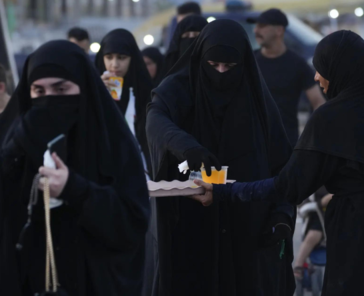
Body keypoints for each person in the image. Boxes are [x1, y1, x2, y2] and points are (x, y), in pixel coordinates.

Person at [193, 30, 364, 296]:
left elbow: (288, 187)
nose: (316, 77)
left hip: (358, 238)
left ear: (339, 70)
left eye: (322, 69)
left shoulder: (330, 119)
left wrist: (225, 191)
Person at [146, 19, 295, 296]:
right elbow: (156, 121)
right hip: (190, 224)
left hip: (247, 227)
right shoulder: (179, 87)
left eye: (230, 67)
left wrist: (282, 215)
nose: (221, 73)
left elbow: (283, 166)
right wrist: (188, 147)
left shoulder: (257, 102)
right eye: (213, 66)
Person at [0, 40, 150, 295]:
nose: (49, 100)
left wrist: (76, 190)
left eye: (61, 89)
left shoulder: (112, 142)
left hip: (94, 281)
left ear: (83, 87)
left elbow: (132, 223)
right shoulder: (17, 138)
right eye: (39, 90)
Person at [248, 8, 326, 147]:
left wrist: (310, 137)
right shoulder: (250, 61)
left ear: (279, 30)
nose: (256, 30)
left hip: (286, 144)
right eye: (256, 26)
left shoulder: (297, 64)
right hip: (254, 143)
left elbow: (318, 102)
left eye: (262, 26)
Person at [95, 29, 153, 177]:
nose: (114, 64)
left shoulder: (144, 91)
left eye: (122, 57)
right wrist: (97, 92)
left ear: (132, 59)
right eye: (109, 57)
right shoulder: (94, 88)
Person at [293, 187, 332, 280]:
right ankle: (298, 265)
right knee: (313, 235)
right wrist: (321, 203)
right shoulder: (313, 185)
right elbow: (303, 207)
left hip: (337, 218)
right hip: (317, 219)